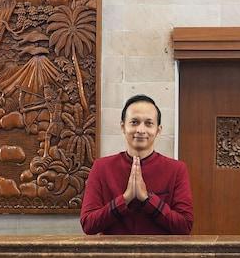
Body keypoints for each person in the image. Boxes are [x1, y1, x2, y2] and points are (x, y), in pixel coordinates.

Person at [80, 94, 194, 235]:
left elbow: (184, 226)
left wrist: (147, 199)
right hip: (112, 254)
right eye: (134, 122)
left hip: (161, 255)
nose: (141, 130)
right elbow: (88, 224)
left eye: (148, 123)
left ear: (158, 130)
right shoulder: (101, 168)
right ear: (123, 127)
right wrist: (125, 199)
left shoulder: (176, 170)